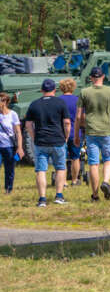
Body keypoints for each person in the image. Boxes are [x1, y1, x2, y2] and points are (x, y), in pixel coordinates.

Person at [23, 78, 71, 207]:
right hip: (58, 140)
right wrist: (66, 137)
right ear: (55, 90)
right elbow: (67, 123)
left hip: (41, 142)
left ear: (42, 90)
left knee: (41, 170)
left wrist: (34, 137)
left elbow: (28, 124)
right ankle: (59, 196)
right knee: (60, 168)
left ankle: (42, 199)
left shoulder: (34, 104)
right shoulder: (60, 103)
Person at [77, 66, 110, 201]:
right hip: (106, 131)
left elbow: (78, 116)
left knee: (93, 163)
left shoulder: (84, 92)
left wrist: (76, 134)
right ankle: (106, 182)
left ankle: (95, 195)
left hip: (91, 132)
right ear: (103, 77)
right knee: (108, 160)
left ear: (91, 78)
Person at [58, 78, 82, 186]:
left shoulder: (58, 100)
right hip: (75, 133)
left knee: (61, 159)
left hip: (61, 133)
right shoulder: (78, 100)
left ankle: (63, 182)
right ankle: (74, 180)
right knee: (75, 158)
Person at [0, 91, 24, 194]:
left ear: (5, 102)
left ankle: (8, 189)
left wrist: (20, 147)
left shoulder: (12, 114)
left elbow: (18, 132)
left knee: (9, 169)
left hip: (9, 146)